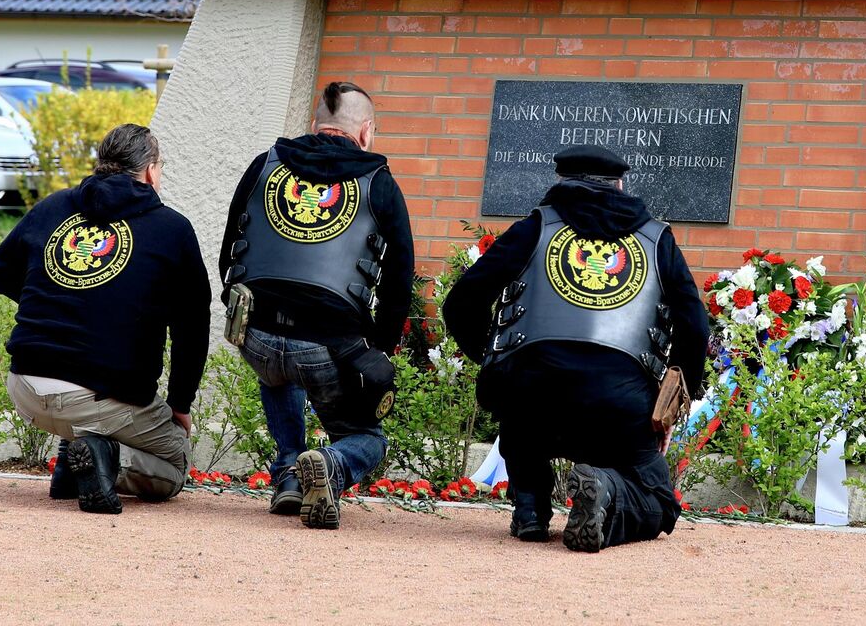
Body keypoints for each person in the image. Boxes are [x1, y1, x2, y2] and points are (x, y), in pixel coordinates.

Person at [443, 144, 710, 552]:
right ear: (620, 185)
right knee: (659, 503)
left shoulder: (535, 227)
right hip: (618, 404)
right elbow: (694, 325)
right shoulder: (658, 240)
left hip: (534, 399)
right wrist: (671, 403)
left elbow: (463, 301)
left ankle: (530, 508)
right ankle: (605, 491)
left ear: (561, 182)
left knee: (522, 398)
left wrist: (493, 359)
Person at [220, 80, 414, 530]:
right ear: (365, 133)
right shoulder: (379, 181)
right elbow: (400, 275)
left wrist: (243, 312)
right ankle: (331, 465)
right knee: (367, 438)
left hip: (257, 334)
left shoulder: (264, 164)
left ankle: (288, 473)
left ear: (314, 126)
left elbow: (230, 247)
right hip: (329, 345)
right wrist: (379, 347)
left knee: (277, 375)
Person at [0, 123, 210, 514]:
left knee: (85, 400)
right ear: (151, 171)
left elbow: (0, 271)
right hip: (101, 397)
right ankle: (102, 459)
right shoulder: (172, 229)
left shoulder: (53, 206)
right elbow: (193, 326)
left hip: (25, 384)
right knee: (175, 463)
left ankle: (71, 461)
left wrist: (58, 298)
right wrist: (180, 403)